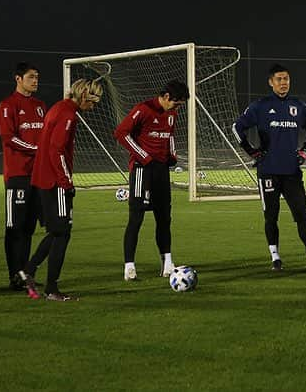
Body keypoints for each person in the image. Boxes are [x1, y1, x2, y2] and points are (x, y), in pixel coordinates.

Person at [232, 63, 306, 272]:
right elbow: (236, 127)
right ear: (271, 82)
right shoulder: (260, 106)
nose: (283, 83)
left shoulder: (299, 106)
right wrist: (251, 151)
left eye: (286, 79)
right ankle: (275, 258)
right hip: (268, 171)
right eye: (279, 79)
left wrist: (305, 151)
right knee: (271, 216)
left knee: (302, 216)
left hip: (292, 172)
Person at [19, 78, 102, 301]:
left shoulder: (59, 107)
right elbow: (57, 151)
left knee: (57, 231)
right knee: (63, 233)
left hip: (43, 179)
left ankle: (29, 269)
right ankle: (51, 289)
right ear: (84, 97)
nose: (93, 107)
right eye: (92, 102)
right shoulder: (68, 114)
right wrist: (66, 182)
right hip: (54, 182)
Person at [114, 80, 190, 281]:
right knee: (136, 217)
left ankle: (167, 263)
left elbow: (170, 135)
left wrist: (172, 154)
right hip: (141, 169)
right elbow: (121, 133)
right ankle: (129, 267)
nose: (177, 108)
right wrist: (143, 156)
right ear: (166, 97)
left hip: (161, 171)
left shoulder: (171, 114)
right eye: (176, 103)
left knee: (164, 218)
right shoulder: (143, 109)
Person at [0, 62, 48, 291]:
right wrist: (37, 150)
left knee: (28, 227)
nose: (35, 80)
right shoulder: (7, 106)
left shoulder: (40, 106)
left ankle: (24, 273)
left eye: (37, 77)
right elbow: (8, 137)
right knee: (14, 227)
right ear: (18, 79)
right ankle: (14, 276)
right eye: (31, 77)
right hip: (18, 174)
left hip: (37, 175)